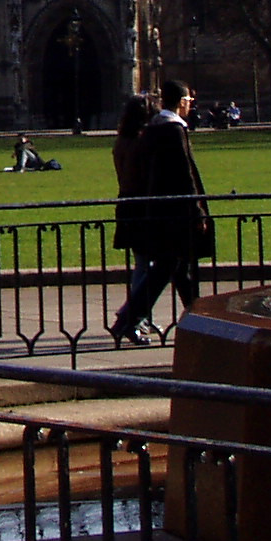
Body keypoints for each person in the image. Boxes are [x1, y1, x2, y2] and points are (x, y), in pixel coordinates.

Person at [110, 81, 212, 346]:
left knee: (177, 269)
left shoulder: (153, 131)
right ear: (180, 101)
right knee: (168, 268)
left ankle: (200, 320)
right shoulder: (173, 129)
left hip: (160, 211)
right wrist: (198, 210)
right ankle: (128, 320)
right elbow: (184, 174)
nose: (191, 104)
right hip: (175, 213)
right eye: (189, 100)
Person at [110, 95, 164, 344]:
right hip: (143, 205)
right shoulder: (141, 142)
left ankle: (140, 315)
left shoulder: (122, 140)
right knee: (146, 265)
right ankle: (131, 319)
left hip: (128, 203)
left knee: (145, 264)